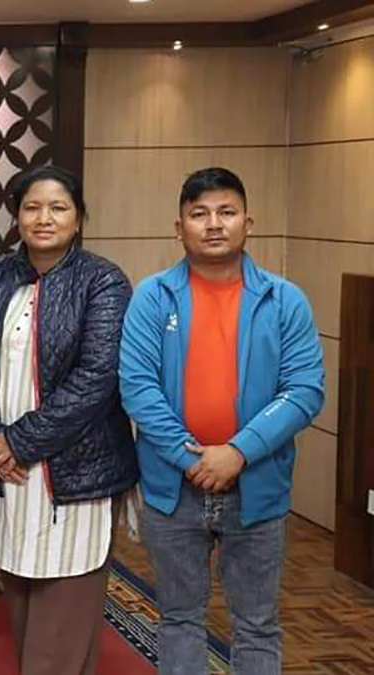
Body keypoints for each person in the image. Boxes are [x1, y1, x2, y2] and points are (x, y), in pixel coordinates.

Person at [119, 167, 324, 675]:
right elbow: (137, 388)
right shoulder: (152, 297)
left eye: (226, 212)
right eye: (200, 214)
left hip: (258, 486)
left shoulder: (284, 300)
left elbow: (304, 390)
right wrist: (191, 459)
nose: (214, 224)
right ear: (179, 228)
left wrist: (237, 453)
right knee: (179, 620)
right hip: (173, 487)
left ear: (248, 223)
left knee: (257, 625)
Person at [0, 165, 137, 675]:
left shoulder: (103, 280)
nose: (44, 218)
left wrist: (19, 442)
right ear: (16, 216)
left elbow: (97, 377)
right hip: (4, 468)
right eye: (32, 207)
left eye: (58, 208)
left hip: (75, 469)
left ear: (79, 218)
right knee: (21, 596)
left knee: (62, 610)